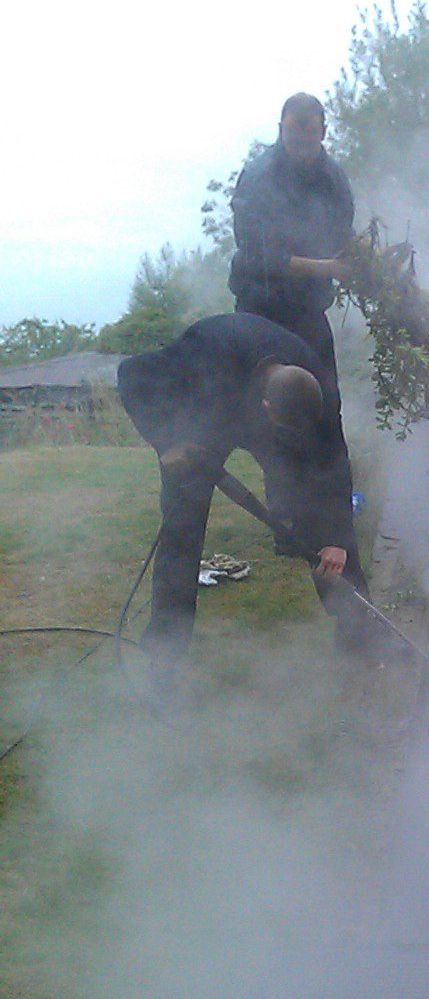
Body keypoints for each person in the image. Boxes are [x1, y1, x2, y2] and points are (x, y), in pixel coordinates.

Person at [117, 312, 372, 669]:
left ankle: (358, 636)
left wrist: (337, 538)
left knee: (321, 521)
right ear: (266, 408)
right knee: (182, 533)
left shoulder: (317, 381)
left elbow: (332, 459)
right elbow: (131, 374)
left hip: (258, 415)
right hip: (203, 425)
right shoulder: (205, 351)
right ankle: (163, 656)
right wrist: (165, 441)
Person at [227, 92, 354, 398]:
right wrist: (328, 268)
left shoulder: (333, 180)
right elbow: (260, 256)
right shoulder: (258, 178)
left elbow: (342, 237)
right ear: (281, 130)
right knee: (265, 410)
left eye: (309, 135)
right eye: (293, 135)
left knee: (324, 404)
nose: (301, 145)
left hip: (309, 313)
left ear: (322, 131)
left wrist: (366, 263)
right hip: (260, 311)